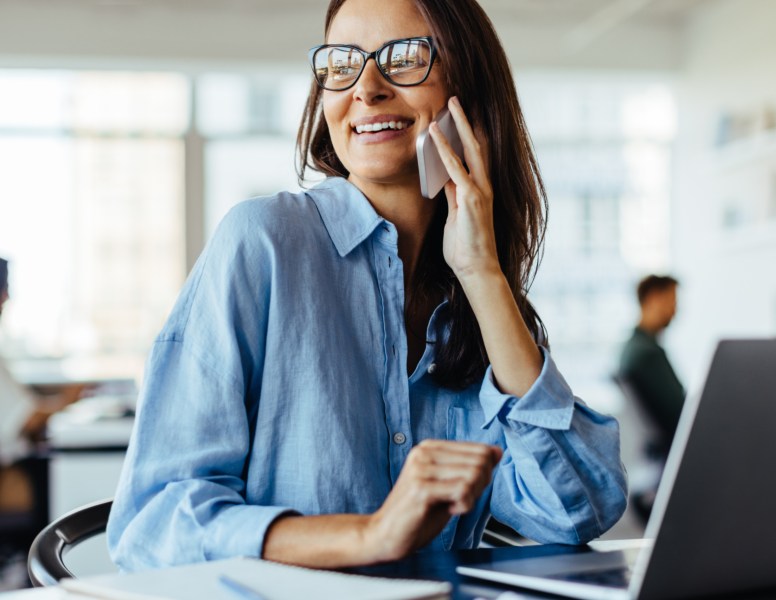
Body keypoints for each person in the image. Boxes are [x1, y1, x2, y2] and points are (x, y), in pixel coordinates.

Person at [108, 0, 628, 571]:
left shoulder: (473, 297)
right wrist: (368, 536)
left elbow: (578, 508)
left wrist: (482, 275)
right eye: (341, 63)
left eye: (404, 58)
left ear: (468, 91)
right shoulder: (264, 242)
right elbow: (152, 522)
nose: (367, 87)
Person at [0, 257, 84, 513]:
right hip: (8, 475)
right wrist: (69, 399)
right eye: (4, 289)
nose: (7, 299)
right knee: (75, 480)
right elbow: (27, 420)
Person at [618, 275, 685, 458]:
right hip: (673, 450)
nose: (675, 310)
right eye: (672, 301)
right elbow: (678, 411)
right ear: (654, 298)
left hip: (655, 452)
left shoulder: (632, 348)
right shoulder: (647, 354)